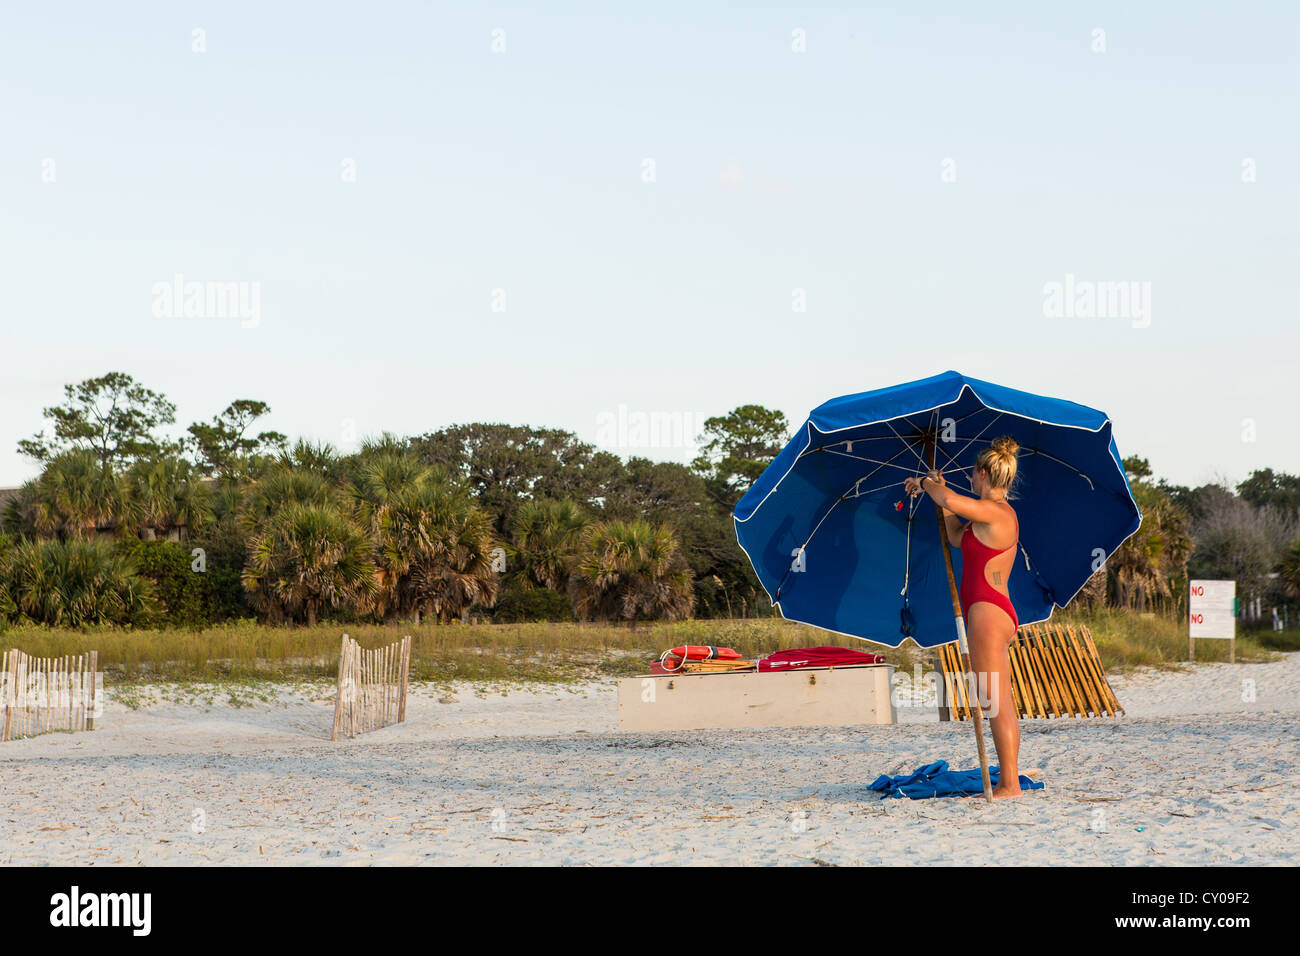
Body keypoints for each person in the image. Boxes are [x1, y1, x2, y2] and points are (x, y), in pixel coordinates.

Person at [904, 435, 1025, 798]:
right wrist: (938, 492)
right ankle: (1009, 779)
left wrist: (928, 485)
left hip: (988, 612)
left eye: (973, 473)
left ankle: (1009, 783)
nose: (970, 478)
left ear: (984, 474)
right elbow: (956, 533)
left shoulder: (997, 512)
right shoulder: (984, 517)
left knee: (994, 701)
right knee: (998, 698)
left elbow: (954, 500)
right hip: (987, 611)